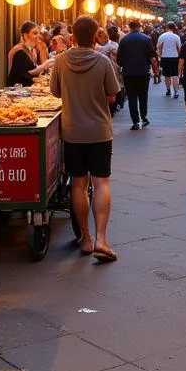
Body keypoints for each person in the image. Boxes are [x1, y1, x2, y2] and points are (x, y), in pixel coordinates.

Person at [50, 15, 121, 262]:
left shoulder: (60, 61)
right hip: (99, 131)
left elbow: (55, 91)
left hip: (72, 132)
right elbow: (113, 96)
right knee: (102, 183)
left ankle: (87, 238)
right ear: (94, 37)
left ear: (72, 37)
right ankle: (102, 238)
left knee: (78, 184)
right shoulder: (103, 62)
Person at [116, 18, 155, 129]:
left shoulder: (124, 40)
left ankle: (135, 122)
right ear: (139, 27)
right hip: (143, 71)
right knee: (143, 96)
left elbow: (118, 59)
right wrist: (156, 71)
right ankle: (144, 117)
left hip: (128, 73)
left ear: (130, 27)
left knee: (132, 97)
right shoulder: (146, 39)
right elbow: (152, 57)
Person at [7, 21, 52, 87]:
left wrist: (43, 50)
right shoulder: (19, 51)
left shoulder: (32, 50)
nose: (38, 36)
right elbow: (28, 73)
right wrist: (45, 65)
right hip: (18, 91)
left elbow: (36, 70)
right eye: (35, 33)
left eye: (39, 33)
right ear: (25, 36)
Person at [156, 22, 183, 97]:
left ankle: (168, 90)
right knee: (175, 75)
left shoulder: (162, 36)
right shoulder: (176, 37)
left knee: (167, 75)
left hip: (165, 57)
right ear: (174, 28)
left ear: (167, 27)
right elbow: (179, 48)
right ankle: (176, 92)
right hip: (175, 57)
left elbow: (158, 48)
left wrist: (161, 56)